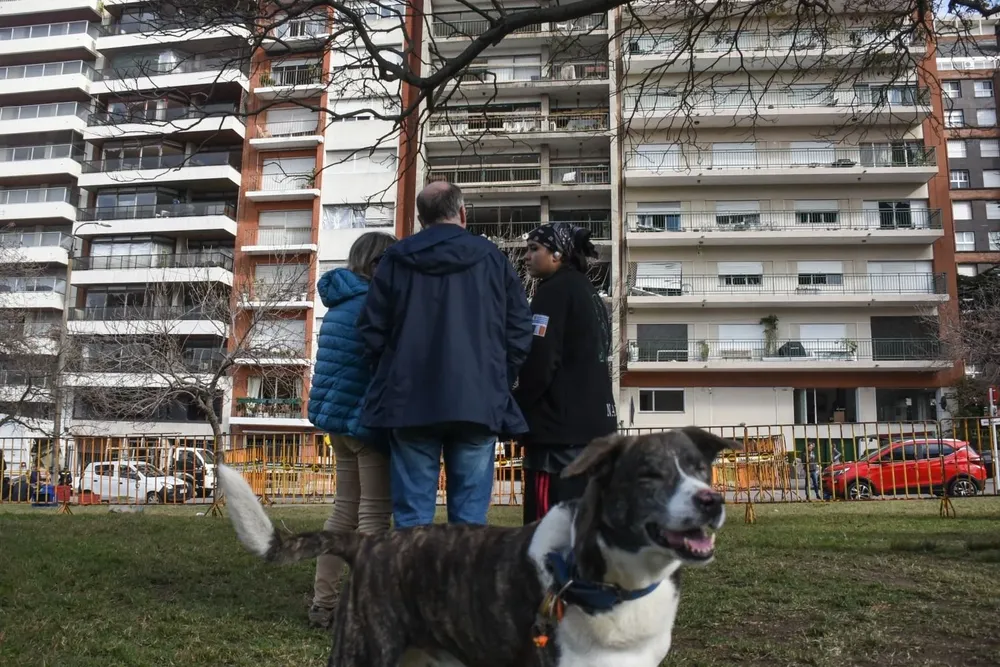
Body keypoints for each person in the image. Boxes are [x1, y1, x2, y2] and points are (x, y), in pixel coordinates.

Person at [357, 181, 534, 528]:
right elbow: (519, 328)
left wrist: (390, 371)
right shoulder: (493, 259)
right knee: (469, 519)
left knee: (412, 519)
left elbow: (371, 330)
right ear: (463, 213)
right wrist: (500, 375)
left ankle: (417, 582)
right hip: (477, 399)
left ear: (422, 218)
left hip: (409, 401)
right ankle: (462, 583)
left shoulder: (395, 259)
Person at [306, 230, 397, 629]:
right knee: (375, 518)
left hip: (337, 425)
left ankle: (323, 603)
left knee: (342, 514)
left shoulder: (338, 305)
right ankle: (369, 611)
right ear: (377, 264)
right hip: (366, 424)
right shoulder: (376, 305)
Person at [514, 222, 617, 524]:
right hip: (596, 430)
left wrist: (517, 408)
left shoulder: (552, 293)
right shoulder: (592, 295)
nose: (526, 257)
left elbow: (541, 362)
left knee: (546, 530)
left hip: (558, 438)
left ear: (557, 254)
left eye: (534, 249)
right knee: (585, 527)